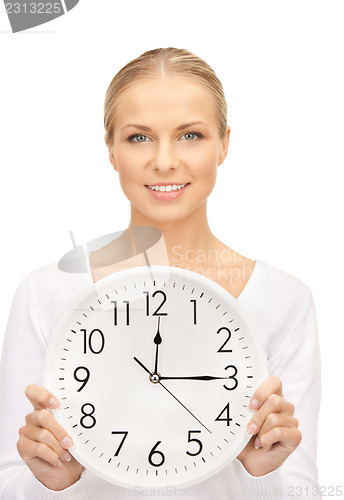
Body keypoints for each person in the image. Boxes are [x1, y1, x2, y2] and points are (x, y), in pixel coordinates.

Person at [0, 47, 322, 499]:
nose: (165, 160)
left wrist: (262, 471)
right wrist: (53, 484)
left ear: (224, 143)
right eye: (139, 137)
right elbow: (9, 480)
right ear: (111, 149)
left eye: (190, 135)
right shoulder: (47, 293)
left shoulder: (284, 300)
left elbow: (303, 489)